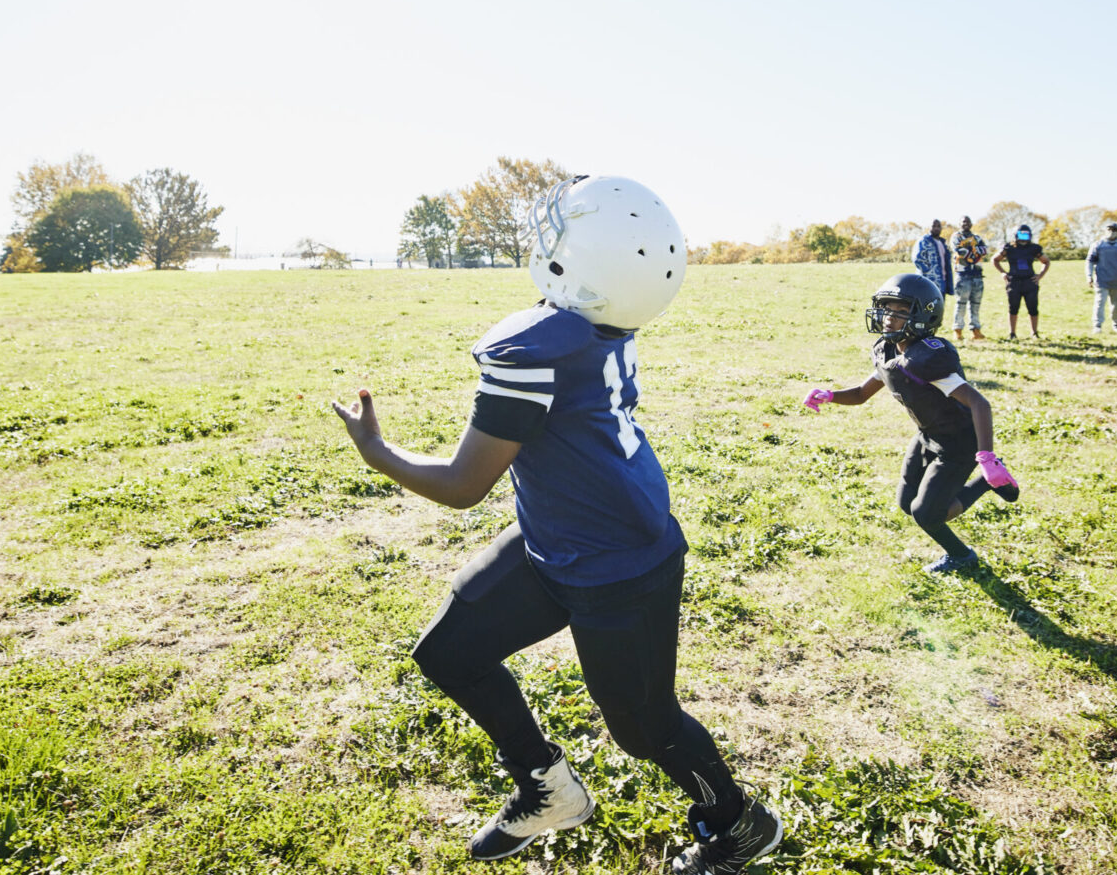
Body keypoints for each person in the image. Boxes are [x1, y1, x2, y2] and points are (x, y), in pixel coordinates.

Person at [331, 175, 781, 874]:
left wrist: (377, 451)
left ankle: (739, 824)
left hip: (620, 569)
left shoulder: (535, 349)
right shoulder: (600, 319)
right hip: (561, 538)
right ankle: (548, 787)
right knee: (449, 652)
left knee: (645, 728)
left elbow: (463, 484)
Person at [803, 274, 1019, 575]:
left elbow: (979, 403)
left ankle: (962, 554)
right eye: (887, 309)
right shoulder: (889, 350)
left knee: (926, 514)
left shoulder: (927, 358)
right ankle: (985, 483)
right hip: (928, 434)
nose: (889, 318)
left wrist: (986, 457)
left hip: (959, 441)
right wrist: (829, 395)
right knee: (907, 503)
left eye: (900, 311)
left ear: (923, 315)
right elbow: (862, 394)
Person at [992, 224, 1050, 339]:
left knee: (1033, 308)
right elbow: (995, 259)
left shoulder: (1034, 248)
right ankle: (1012, 333)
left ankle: (1034, 333)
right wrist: (1003, 273)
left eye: (1026, 235)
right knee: (1013, 308)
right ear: (1016, 235)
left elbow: (1046, 261)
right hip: (1014, 282)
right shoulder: (1009, 248)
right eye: (1021, 235)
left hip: (1030, 282)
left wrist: (1040, 275)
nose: (1023, 238)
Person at [951, 216, 987, 341]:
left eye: (968, 221)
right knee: (961, 304)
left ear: (971, 224)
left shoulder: (977, 237)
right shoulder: (956, 237)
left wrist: (970, 250)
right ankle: (958, 330)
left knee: (975, 304)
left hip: (977, 274)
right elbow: (959, 250)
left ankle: (976, 330)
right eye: (963, 221)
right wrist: (974, 251)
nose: (965, 224)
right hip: (963, 274)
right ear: (959, 223)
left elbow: (984, 250)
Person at [912, 218, 955, 299]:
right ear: (929, 227)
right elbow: (917, 259)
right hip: (928, 283)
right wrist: (929, 273)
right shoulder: (924, 241)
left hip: (942, 282)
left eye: (938, 226)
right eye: (933, 226)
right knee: (927, 308)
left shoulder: (943, 243)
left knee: (939, 308)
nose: (936, 228)